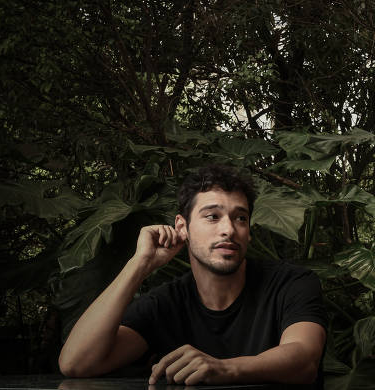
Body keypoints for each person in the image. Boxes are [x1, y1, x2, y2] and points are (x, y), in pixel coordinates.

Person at [58, 165, 327, 387]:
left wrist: (223, 369)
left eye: (240, 218)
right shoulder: (165, 304)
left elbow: (304, 360)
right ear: (182, 227)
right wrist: (139, 264)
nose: (229, 230)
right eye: (212, 216)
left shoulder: (292, 283)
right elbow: (76, 363)